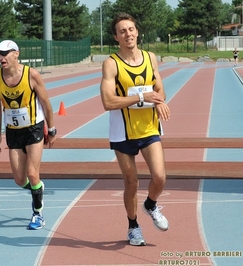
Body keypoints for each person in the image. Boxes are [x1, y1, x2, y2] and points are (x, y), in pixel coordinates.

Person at [99, 13, 171, 246]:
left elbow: (159, 89)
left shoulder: (150, 58)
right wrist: (141, 96)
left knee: (159, 177)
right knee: (131, 182)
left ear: (137, 32)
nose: (128, 34)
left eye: (131, 29)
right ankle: (133, 226)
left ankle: (150, 204)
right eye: (122, 31)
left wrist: (161, 101)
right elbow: (108, 102)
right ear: (116, 37)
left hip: (149, 128)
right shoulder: (111, 63)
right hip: (123, 132)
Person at [0, 40, 56, 230]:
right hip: (13, 130)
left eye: (5, 53)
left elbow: (46, 103)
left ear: (16, 54)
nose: (1, 58)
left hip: (34, 127)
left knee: (32, 173)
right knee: (20, 180)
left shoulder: (31, 75)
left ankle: (38, 213)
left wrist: (51, 129)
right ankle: (38, 189)